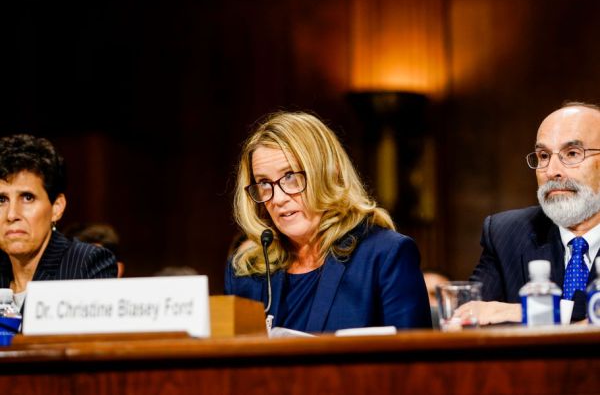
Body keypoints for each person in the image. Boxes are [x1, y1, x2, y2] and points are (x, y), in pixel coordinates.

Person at [224, 111, 431, 333]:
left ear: (330, 173)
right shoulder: (247, 270)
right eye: (264, 183)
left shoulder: (385, 255)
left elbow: (414, 363)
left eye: (290, 176)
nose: (278, 198)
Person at [461, 102, 600, 324]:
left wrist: (526, 312)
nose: (552, 171)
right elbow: (470, 318)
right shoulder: (505, 234)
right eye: (543, 156)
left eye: (572, 153)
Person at [0, 134, 117, 311]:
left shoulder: (87, 265)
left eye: (27, 197)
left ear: (57, 207)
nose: (12, 215)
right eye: (1, 200)